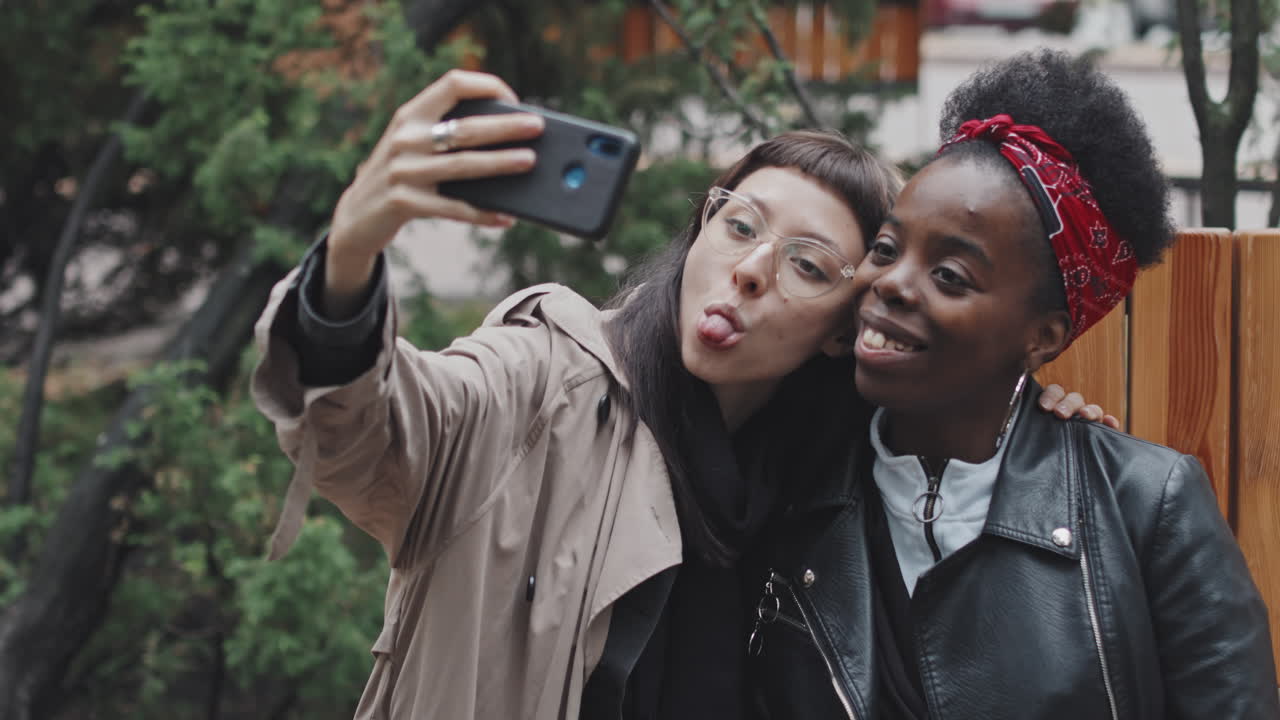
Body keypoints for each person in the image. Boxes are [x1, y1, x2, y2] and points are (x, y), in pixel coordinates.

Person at [250, 69, 1109, 719]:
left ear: (841, 330)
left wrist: (1034, 425)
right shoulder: (549, 380)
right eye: (739, 224)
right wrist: (352, 254)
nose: (747, 270)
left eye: (806, 265)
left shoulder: (826, 482)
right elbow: (361, 434)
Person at [747, 49, 1279, 720]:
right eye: (886, 249)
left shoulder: (1148, 508)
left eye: (950, 276)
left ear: (1044, 337)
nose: (890, 283)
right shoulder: (789, 474)